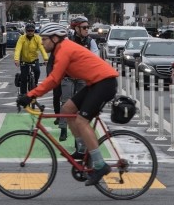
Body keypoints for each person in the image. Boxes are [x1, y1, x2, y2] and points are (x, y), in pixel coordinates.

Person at [17, 23, 119, 186]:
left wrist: (30, 95)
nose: (41, 43)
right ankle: (82, 149)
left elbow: (54, 79)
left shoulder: (64, 49)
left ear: (55, 39)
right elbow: (55, 79)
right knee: (67, 109)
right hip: (95, 83)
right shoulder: (60, 49)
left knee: (81, 121)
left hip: (104, 83)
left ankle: (100, 165)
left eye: (44, 39)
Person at [57, 16, 99, 141]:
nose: (87, 30)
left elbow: (95, 57)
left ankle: (79, 138)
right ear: (76, 28)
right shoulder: (67, 41)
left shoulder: (90, 41)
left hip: (82, 78)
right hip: (68, 78)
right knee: (65, 103)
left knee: (80, 106)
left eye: (88, 27)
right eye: (84, 27)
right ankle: (63, 128)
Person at [14, 23, 48, 94]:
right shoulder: (22, 38)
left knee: (37, 71)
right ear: (26, 31)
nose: (30, 32)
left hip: (34, 60)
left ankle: (34, 83)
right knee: (24, 78)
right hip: (24, 60)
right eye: (28, 31)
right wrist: (16, 59)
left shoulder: (37, 38)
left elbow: (42, 48)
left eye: (32, 31)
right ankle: (23, 94)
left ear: (34, 31)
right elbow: (18, 48)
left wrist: (45, 58)